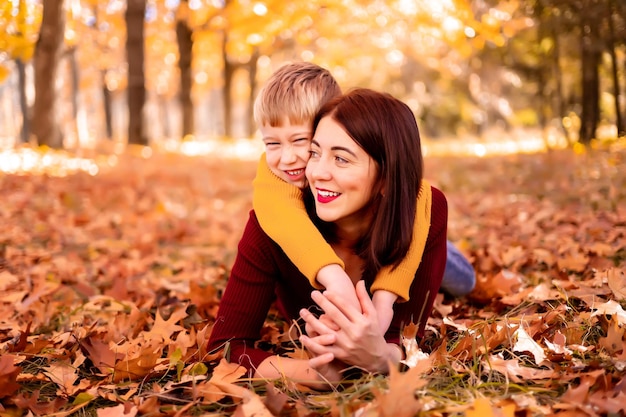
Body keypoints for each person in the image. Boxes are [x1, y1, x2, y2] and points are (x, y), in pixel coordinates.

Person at [209, 88, 448, 388]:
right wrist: (317, 374)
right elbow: (225, 348)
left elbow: (405, 339)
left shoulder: (423, 212)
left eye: (342, 159)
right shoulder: (272, 222)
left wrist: (378, 359)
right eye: (315, 152)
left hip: (391, 228)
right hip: (378, 219)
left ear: (387, 177)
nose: (317, 172)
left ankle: (448, 259)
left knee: (456, 278)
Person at [251, 62, 475, 334]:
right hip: (335, 243)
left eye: (301, 141)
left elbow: (416, 201)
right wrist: (335, 279)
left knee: (463, 282)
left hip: (394, 229)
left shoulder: (406, 193)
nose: (287, 159)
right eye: (272, 143)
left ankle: (443, 250)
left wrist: (384, 301)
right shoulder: (271, 182)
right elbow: (287, 225)